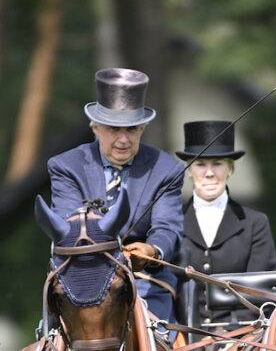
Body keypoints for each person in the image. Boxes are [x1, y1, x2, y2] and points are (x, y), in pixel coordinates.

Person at [46, 68, 183, 324]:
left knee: (164, 340)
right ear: (95, 127)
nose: (123, 139)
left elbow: (167, 227)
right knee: (53, 341)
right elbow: (68, 227)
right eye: (113, 128)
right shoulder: (65, 166)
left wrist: (151, 250)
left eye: (132, 129)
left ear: (142, 128)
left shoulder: (167, 170)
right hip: (82, 278)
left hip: (144, 282)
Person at [176, 120, 276, 327]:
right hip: (180, 337)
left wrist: (233, 334)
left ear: (230, 168)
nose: (209, 173)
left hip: (241, 336)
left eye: (217, 164)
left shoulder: (255, 223)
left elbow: (260, 292)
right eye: (200, 164)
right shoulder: (172, 222)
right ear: (189, 170)